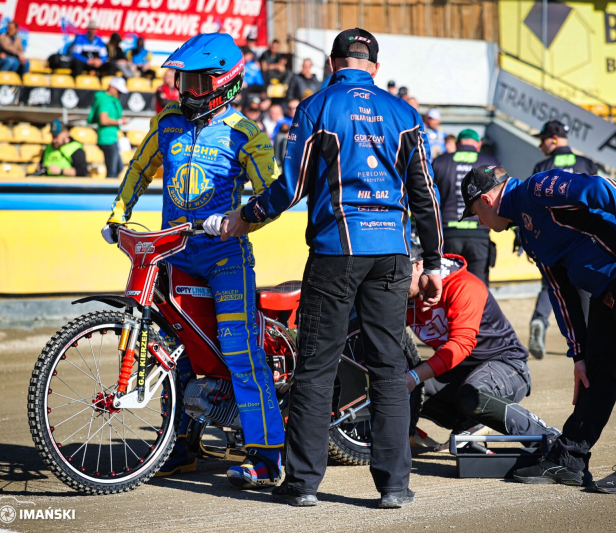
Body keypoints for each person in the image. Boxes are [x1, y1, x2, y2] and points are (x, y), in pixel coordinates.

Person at [222, 27, 444, 509]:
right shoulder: (404, 114)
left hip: (334, 252)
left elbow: (292, 185)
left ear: (332, 63)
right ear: (375, 68)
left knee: (316, 368)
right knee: (387, 367)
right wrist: (433, 263)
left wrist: (248, 216)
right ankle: (394, 487)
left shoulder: (317, 106)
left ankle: (302, 485)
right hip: (391, 254)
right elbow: (426, 195)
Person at [102, 33, 285, 489]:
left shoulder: (247, 133)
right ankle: (180, 445)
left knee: (240, 351)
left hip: (225, 259)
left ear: (224, 82)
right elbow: (140, 167)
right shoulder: (166, 121)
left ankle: (267, 457)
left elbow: (272, 194)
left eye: (198, 82)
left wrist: (238, 221)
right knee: (173, 355)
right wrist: (118, 213)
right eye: (182, 79)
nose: (186, 90)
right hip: (173, 256)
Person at [461, 165, 616, 494]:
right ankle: (570, 461)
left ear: (487, 200)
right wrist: (577, 354)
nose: (479, 223)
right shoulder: (527, 231)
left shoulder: (536, 188)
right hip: (608, 282)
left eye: (475, 212)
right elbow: (560, 292)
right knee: (596, 369)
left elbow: (599, 186)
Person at [405, 245, 560, 448]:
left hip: (507, 365)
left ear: (418, 265)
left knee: (471, 395)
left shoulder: (463, 285)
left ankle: (549, 440)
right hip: (460, 371)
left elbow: (460, 345)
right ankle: (464, 424)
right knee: (401, 386)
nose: (392, 282)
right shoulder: (405, 293)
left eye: (397, 273)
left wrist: (414, 376)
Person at [528, 119, 597, 360]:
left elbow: (533, 206)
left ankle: (539, 320)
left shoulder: (542, 165)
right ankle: (587, 341)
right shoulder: (586, 163)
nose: (540, 145)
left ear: (554, 139)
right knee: (584, 290)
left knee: (551, 285)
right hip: (583, 239)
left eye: (543, 140)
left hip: (552, 239)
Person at [431, 128, 500, 285]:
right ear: (478, 144)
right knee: (479, 287)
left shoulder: (441, 161)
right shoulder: (491, 162)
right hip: (480, 234)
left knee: (448, 286)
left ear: (457, 144)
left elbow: (428, 197)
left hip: (449, 234)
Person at [89, 77, 128, 178]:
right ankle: (108, 193)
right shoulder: (105, 100)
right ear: (111, 87)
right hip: (106, 139)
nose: (119, 94)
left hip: (111, 138)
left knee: (118, 168)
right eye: (118, 91)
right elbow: (103, 120)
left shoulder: (110, 100)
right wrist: (120, 121)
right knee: (112, 170)